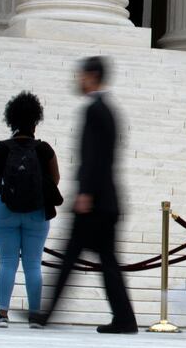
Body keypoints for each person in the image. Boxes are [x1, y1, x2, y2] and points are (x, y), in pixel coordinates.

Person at [40, 57, 137, 333]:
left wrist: (85, 192)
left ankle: (46, 314)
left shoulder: (96, 110)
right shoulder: (106, 109)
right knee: (105, 262)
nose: (78, 80)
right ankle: (124, 318)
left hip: (95, 201)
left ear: (92, 76)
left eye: (81, 75)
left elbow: (96, 156)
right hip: (105, 200)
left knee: (72, 259)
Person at [0, 92, 62, 328]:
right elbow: (55, 180)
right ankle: (35, 316)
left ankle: (3, 315)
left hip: (5, 210)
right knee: (33, 264)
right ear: (35, 122)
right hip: (36, 212)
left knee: (7, 262)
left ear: (11, 120)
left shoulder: (1, 148)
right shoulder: (44, 149)